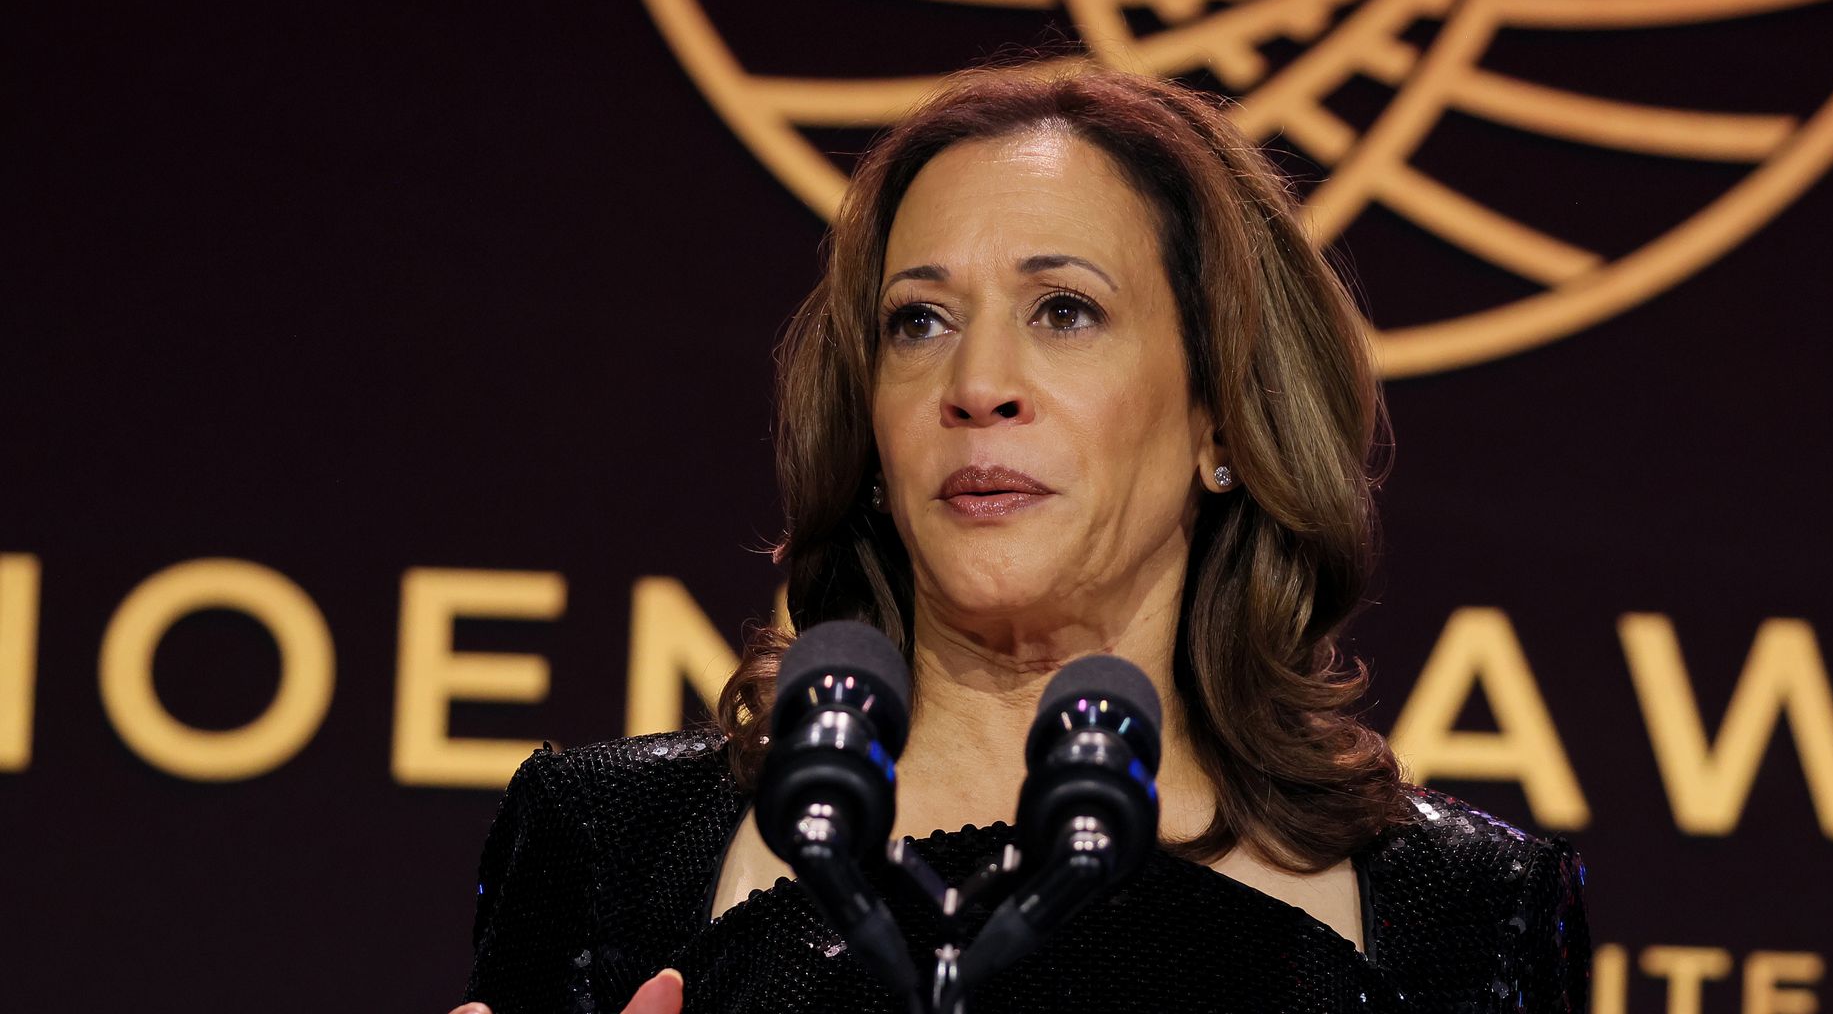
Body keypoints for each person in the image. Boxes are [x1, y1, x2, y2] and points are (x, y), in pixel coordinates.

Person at [449, 60, 1591, 1014]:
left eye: (1065, 311)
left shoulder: (1464, 914)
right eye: (920, 323)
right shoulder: (610, 846)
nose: (978, 384)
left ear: (1221, 420)